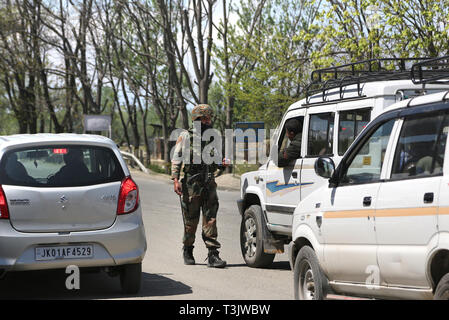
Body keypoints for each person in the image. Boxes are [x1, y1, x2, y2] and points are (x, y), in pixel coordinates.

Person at [171, 104, 228, 268]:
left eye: (209, 118)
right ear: (197, 119)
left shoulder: (212, 137)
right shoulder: (185, 136)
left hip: (209, 183)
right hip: (191, 184)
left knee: (210, 219)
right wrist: (175, 179)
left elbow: (216, 158)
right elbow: (177, 158)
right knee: (191, 220)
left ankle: (213, 254)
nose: (209, 121)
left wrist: (221, 163)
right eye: (205, 118)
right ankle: (188, 249)